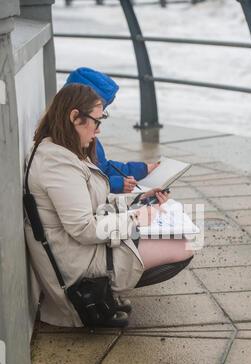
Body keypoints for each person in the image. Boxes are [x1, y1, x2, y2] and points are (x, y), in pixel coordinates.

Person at [24, 83, 193, 328]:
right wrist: (137, 220)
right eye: (96, 121)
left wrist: (138, 201)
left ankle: (105, 295)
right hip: (76, 266)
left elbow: (92, 199)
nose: (98, 130)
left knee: (181, 240)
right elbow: (83, 228)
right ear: (74, 117)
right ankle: (92, 298)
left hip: (77, 252)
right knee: (185, 245)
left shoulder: (57, 151)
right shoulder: (56, 164)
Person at [65, 67, 160, 193]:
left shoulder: (83, 133)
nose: (98, 130)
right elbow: (80, 185)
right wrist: (116, 184)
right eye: (97, 117)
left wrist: (143, 169)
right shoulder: (67, 142)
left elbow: (103, 167)